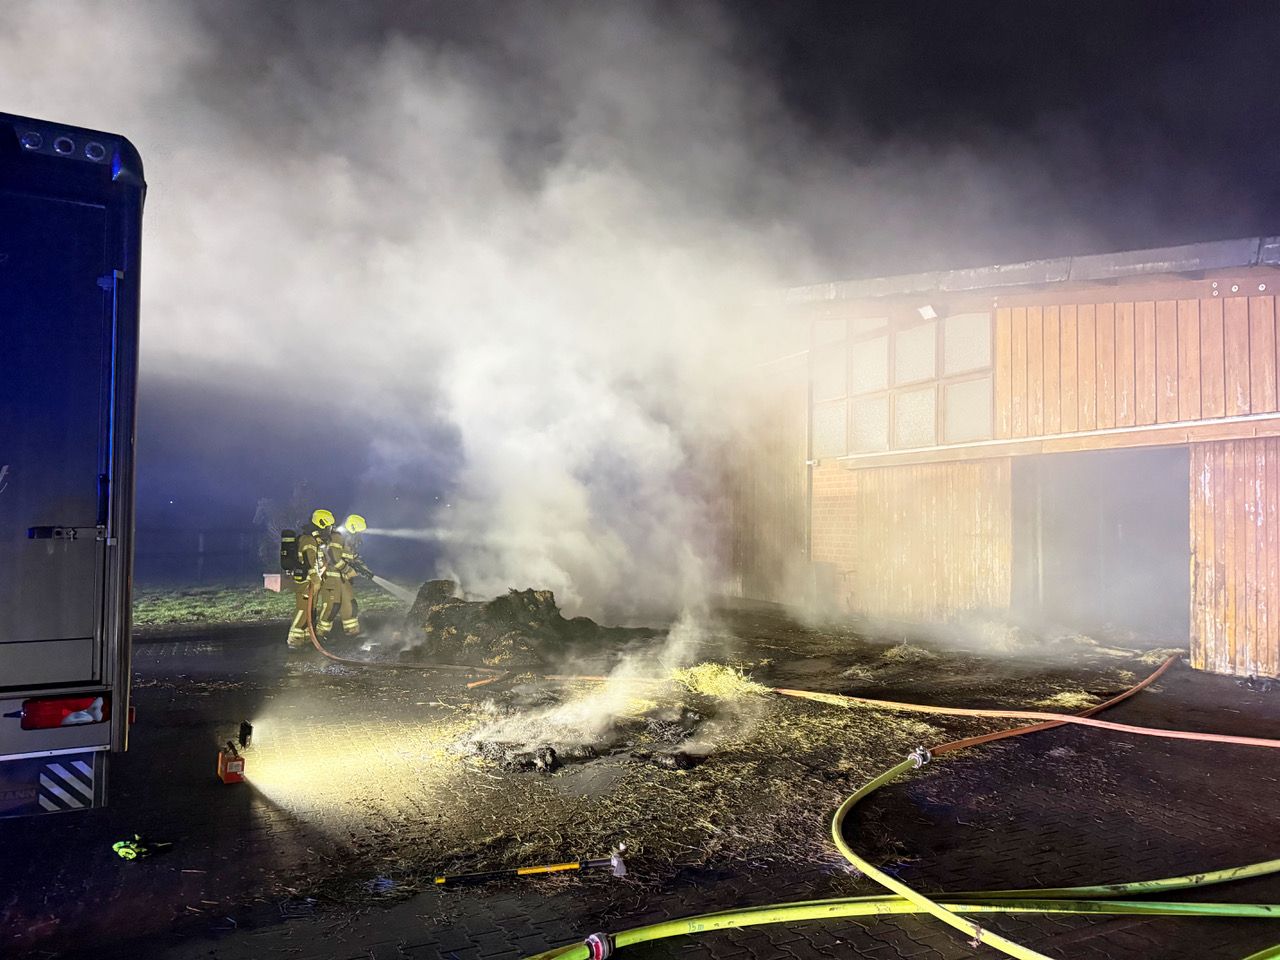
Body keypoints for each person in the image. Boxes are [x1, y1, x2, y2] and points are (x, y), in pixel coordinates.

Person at [287, 508, 334, 649]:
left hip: (311, 581)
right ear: (321, 524)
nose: (329, 530)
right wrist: (315, 578)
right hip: (306, 581)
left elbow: (318, 560)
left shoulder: (314, 540)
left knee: (311, 610)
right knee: (303, 609)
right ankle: (294, 639)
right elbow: (310, 560)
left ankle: (307, 638)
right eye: (328, 527)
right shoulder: (308, 540)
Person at [318, 513, 366, 638]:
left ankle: (352, 631)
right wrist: (348, 570)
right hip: (332, 578)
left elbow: (353, 558)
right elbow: (333, 556)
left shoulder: (348, 541)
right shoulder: (337, 537)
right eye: (359, 532)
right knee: (332, 607)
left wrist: (364, 570)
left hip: (344, 579)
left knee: (351, 605)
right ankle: (321, 634)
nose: (360, 535)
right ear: (353, 528)